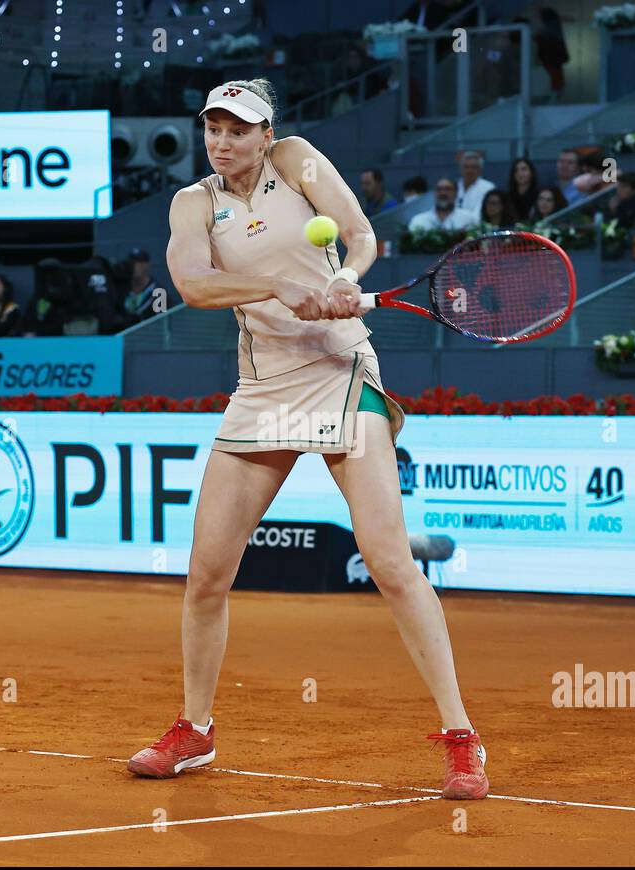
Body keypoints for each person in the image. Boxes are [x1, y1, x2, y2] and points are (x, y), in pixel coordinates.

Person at [129, 77, 490, 800]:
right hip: (264, 390)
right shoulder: (192, 203)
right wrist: (275, 290)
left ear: (267, 134)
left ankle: (461, 739)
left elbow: (358, 236)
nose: (224, 141)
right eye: (214, 127)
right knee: (206, 574)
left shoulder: (296, 161)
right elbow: (195, 284)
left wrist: (349, 279)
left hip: (340, 368)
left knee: (389, 561)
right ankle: (195, 730)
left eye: (240, 129)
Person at [117, 248, 170, 330]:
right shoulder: (121, 289)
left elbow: (162, 323)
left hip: (147, 339)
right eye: (132, 263)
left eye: (139, 263)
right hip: (122, 340)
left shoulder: (159, 292)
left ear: (147, 265)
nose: (135, 267)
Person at [407, 177, 479, 234]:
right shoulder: (419, 220)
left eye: (448, 189)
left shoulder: (469, 218)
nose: (443, 193)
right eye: (439, 189)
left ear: (456, 193)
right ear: (434, 194)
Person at [533, 6, 568, 103]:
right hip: (553, 71)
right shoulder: (555, 30)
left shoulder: (546, 33)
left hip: (549, 70)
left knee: (550, 96)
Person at [454, 150, 494, 216]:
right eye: (466, 167)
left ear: (480, 170)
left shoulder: (488, 188)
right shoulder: (453, 186)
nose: (469, 171)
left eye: (473, 167)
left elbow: (480, 213)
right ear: (461, 169)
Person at [505, 156, 538, 223]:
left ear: (531, 173)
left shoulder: (539, 196)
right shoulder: (507, 197)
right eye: (516, 170)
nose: (520, 173)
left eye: (524, 169)